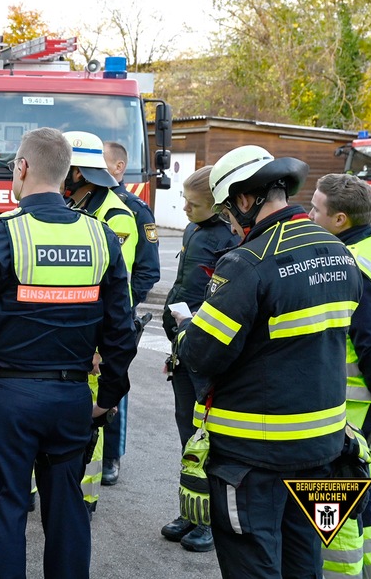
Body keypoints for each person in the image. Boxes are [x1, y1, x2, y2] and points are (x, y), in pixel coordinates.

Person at [0, 127, 137, 578]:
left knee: (4, 513)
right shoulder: (101, 237)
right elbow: (121, 332)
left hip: (9, 399)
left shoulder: (0, 235)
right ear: (69, 172)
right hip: (72, 399)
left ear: (23, 168)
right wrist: (107, 398)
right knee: (68, 514)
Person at [178, 145, 361, 578]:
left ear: (245, 199)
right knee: (305, 563)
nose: (228, 221)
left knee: (254, 567)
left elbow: (203, 354)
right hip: (326, 448)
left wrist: (183, 329)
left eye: (227, 210)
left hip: (252, 459)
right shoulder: (338, 251)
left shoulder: (247, 262)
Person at [308, 174, 371, 579]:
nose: (309, 214)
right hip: (367, 398)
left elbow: (370, 344)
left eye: (316, 209)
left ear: (340, 219)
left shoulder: (354, 265)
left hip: (351, 402)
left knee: (335, 504)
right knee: (361, 495)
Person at [158, 165, 239, 553]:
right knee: (188, 438)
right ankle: (191, 512)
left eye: (193, 204)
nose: (184, 209)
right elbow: (182, 285)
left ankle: (211, 522)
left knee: (210, 444)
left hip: (208, 354)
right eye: (184, 202)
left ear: (219, 206)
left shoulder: (231, 239)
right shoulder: (193, 230)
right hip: (184, 351)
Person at [62, 130, 138, 513]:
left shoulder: (114, 216)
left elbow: (113, 294)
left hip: (93, 342)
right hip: (70, 336)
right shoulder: (75, 203)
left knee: (88, 425)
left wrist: (99, 349)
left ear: (79, 172)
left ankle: (84, 499)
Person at [100, 141, 161, 487]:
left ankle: (111, 457)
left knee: (112, 386)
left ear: (120, 167)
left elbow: (147, 272)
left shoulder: (135, 210)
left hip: (118, 318)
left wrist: (120, 308)